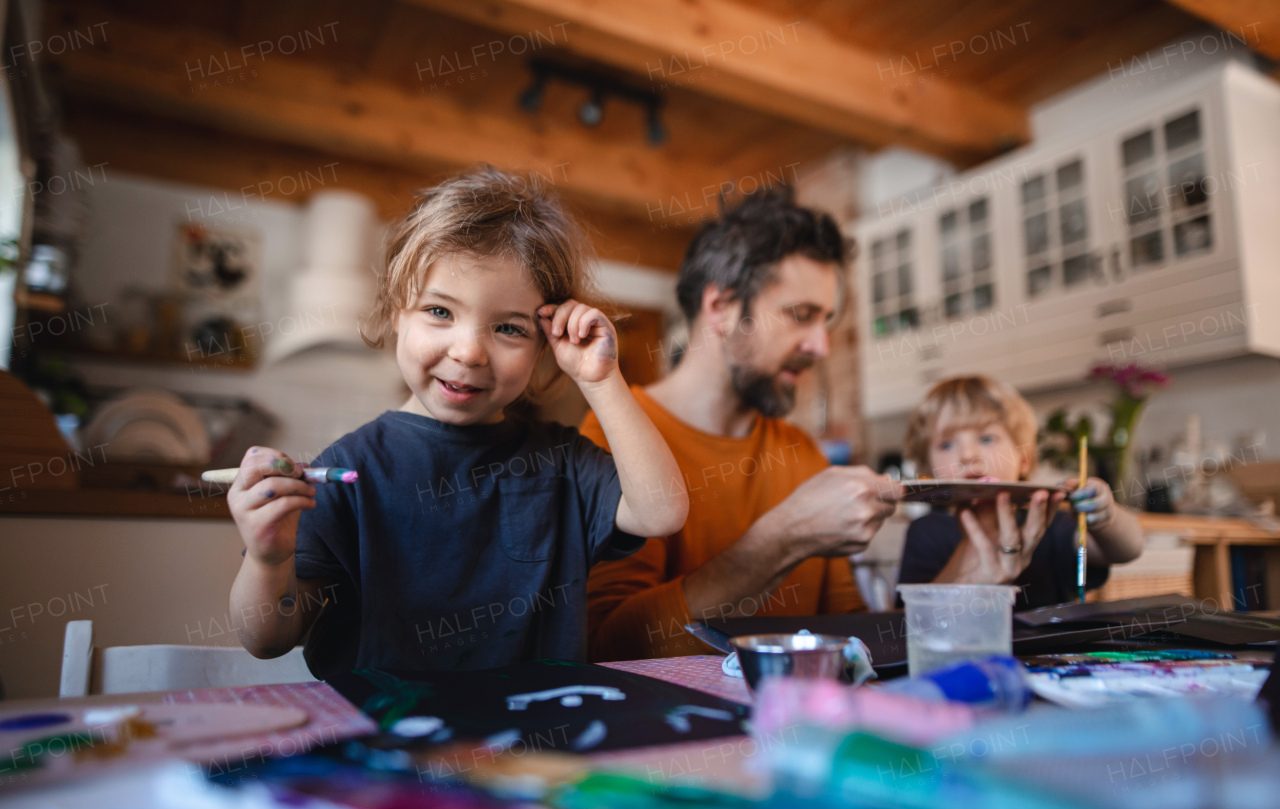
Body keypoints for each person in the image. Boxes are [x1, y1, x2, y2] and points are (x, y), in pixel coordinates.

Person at [225, 168, 688, 678]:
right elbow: (269, 640)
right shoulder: (348, 469)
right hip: (391, 743)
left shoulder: (562, 461)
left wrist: (601, 380)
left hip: (534, 740)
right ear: (398, 310)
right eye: (440, 312)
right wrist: (268, 560)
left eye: (508, 328)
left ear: (543, 347)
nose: (468, 352)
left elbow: (662, 513)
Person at [579, 188, 901, 661]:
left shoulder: (801, 452)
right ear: (722, 307)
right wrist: (782, 537)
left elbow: (853, 641)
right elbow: (611, 647)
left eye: (826, 322)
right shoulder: (613, 436)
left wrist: (970, 577)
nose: (820, 346)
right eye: (801, 315)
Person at [897, 375, 1144, 609]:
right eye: (947, 444)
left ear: (1023, 458)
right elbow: (913, 616)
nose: (967, 455)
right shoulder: (926, 532)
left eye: (986, 439)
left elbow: (1129, 549)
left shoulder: (1052, 523)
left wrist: (1104, 516)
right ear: (927, 468)